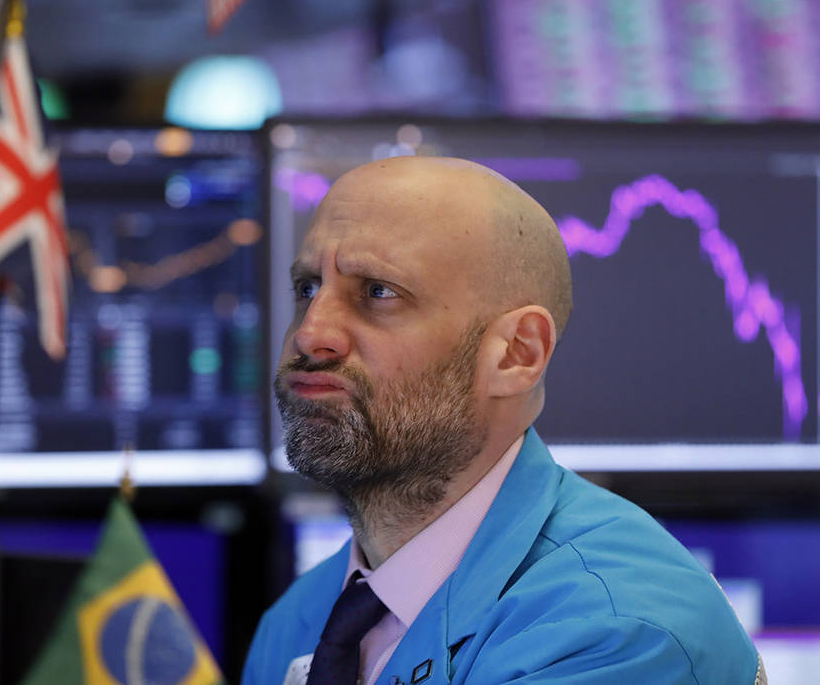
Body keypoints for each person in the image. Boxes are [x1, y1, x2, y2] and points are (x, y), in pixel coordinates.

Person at [243, 156, 764, 684]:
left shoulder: (616, 634)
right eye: (308, 288)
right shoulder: (298, 621)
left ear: (517, 354)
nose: (310, 333)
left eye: (378, 292)